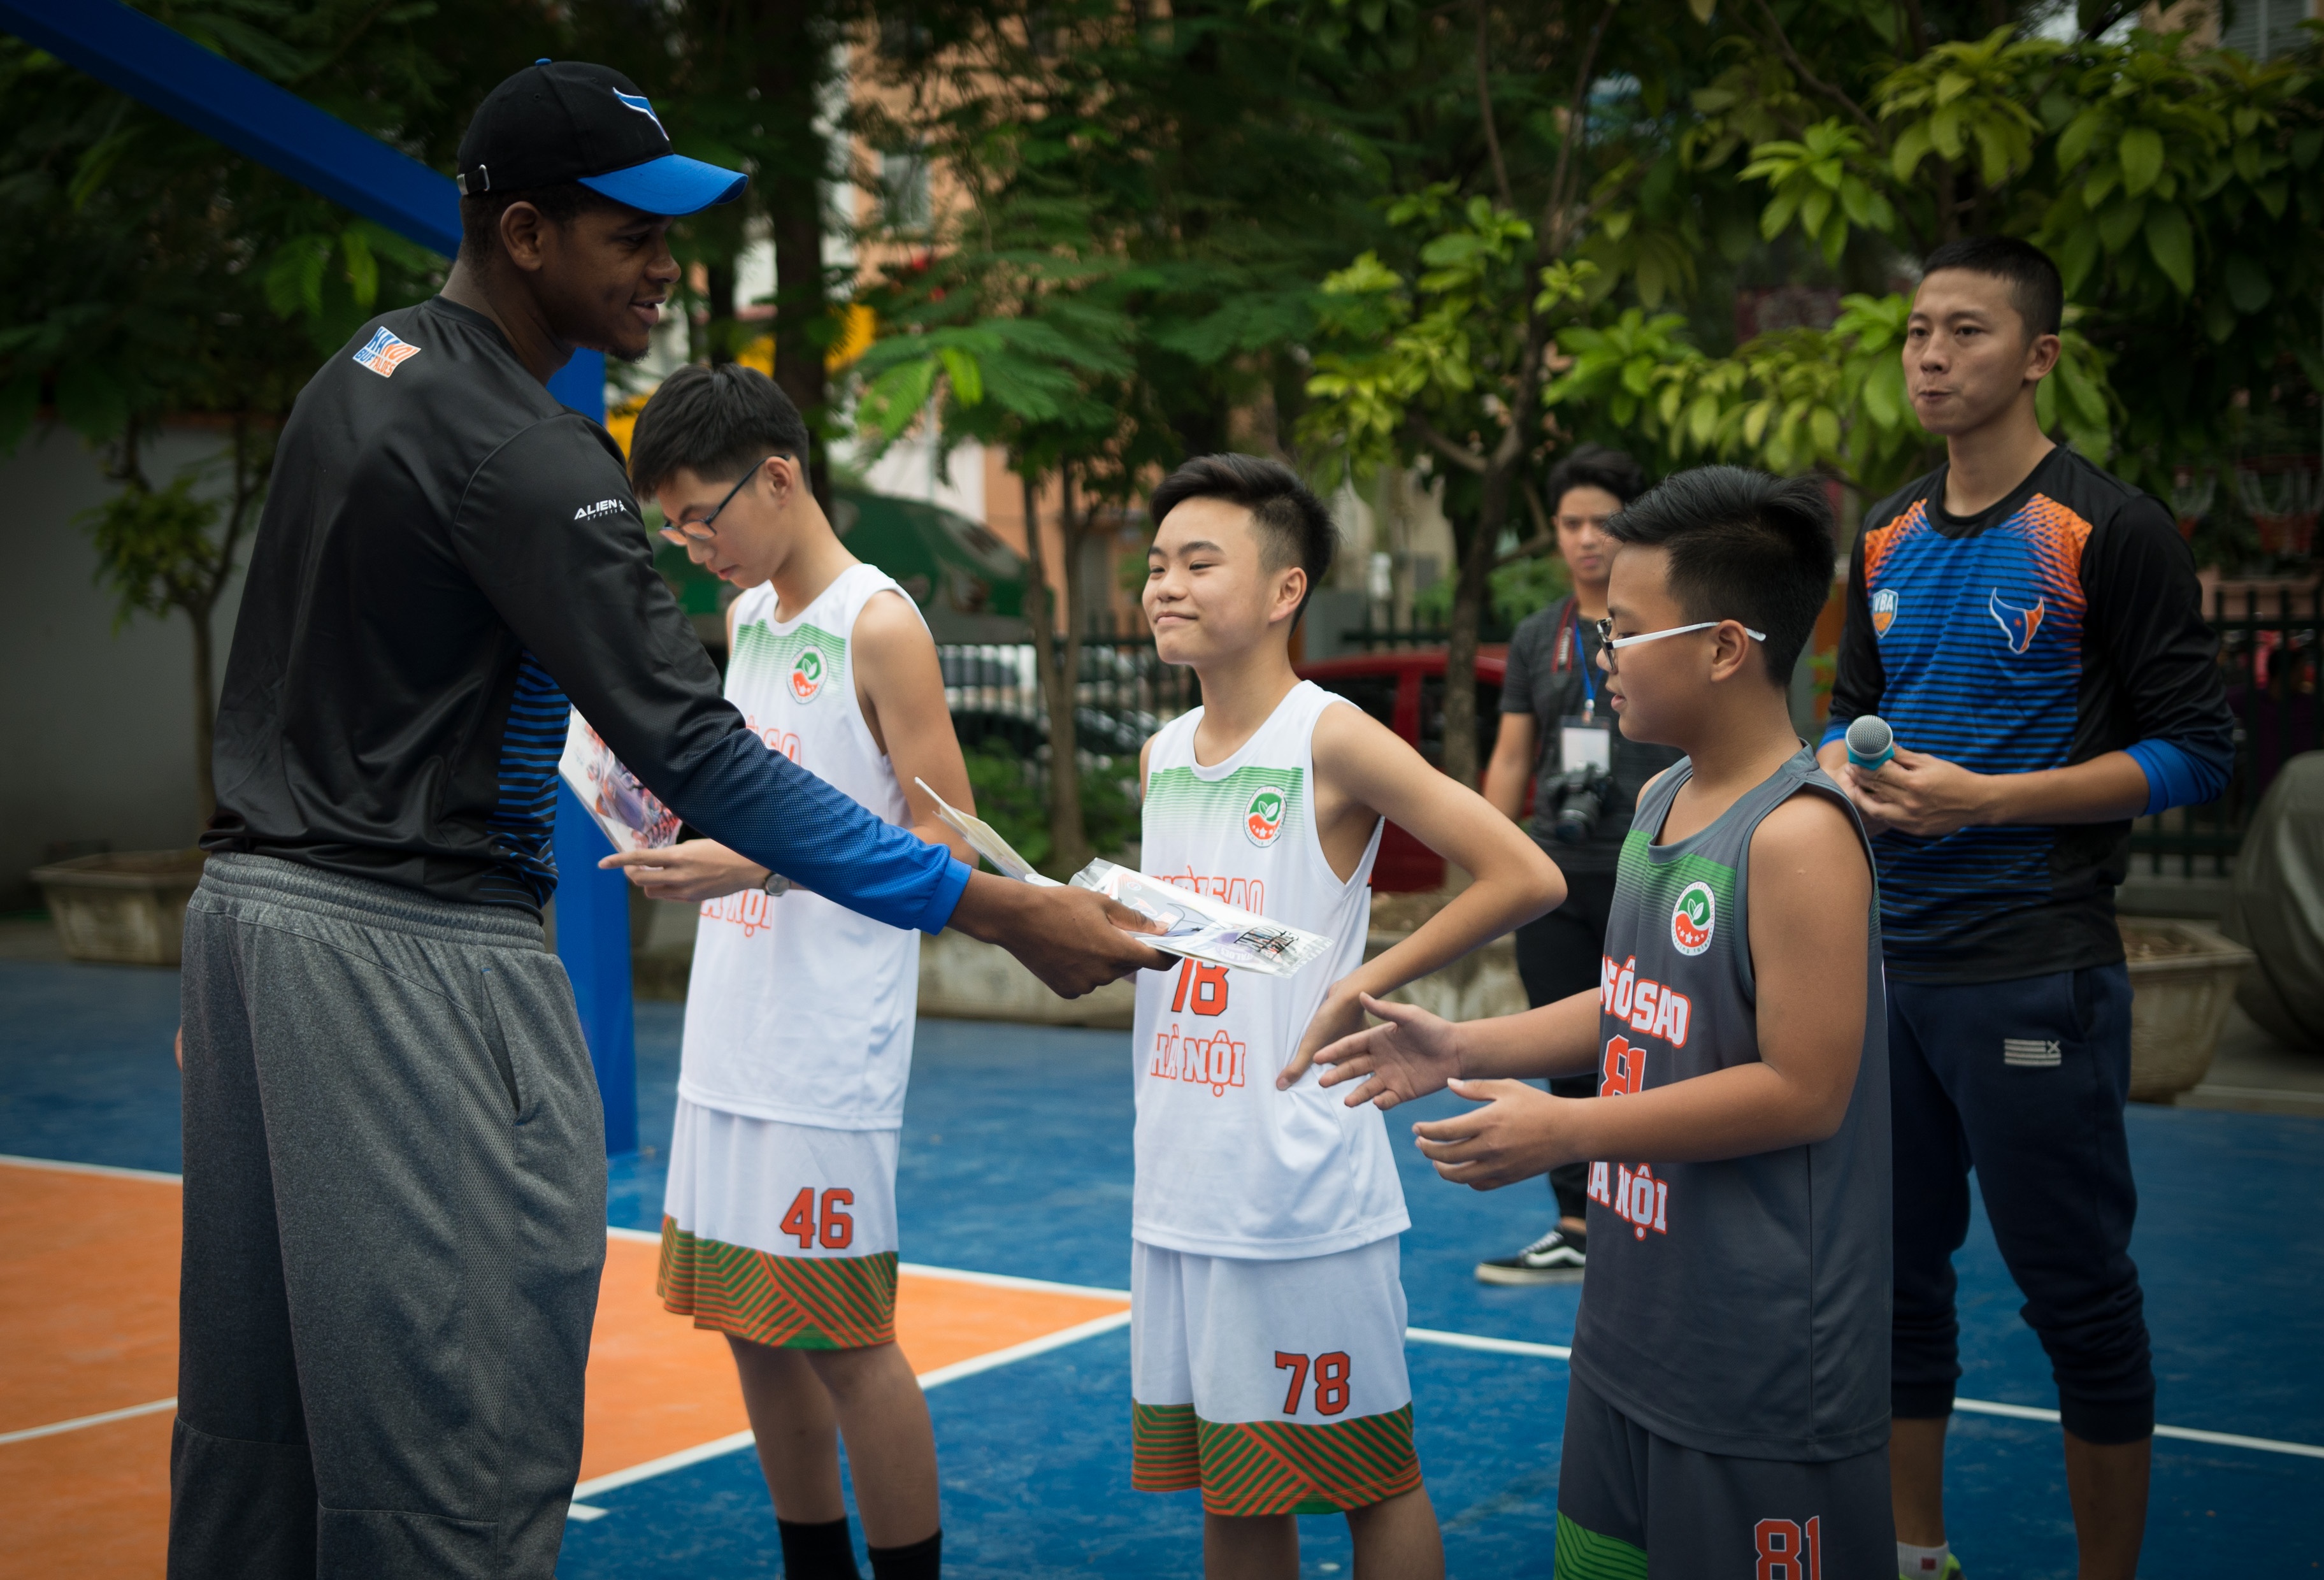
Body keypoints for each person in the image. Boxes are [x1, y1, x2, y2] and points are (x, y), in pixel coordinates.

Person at [176, 61, 1162, 1580]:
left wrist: (240, 935)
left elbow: (275, 678)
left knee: (258, 1440)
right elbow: (704, 751)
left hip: (257, 932)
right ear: (522, 233)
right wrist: (1001, 906)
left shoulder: (358, 373)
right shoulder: (529, 448)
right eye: (629, 233)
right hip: (413, 956)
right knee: (462, 1442)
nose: (665, 266)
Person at [1314, 467, 1894, 1578]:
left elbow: (1806, 1089)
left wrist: (1569, 1132)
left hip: (1760, 1358)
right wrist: (1463, 1047)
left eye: (1623, 632)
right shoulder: (1664, 795)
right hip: (1633, 1327)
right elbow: (1638, 999)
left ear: (1725, 647)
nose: (1598, 655)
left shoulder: (1801, 837)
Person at [1816, 236, 2234, 1580]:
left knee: (2078, 1300)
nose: (1931, 354)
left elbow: (2200, 751)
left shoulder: (2107, 531)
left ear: (2039, 355)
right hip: (1891, 973)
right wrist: (1840, 766)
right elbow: (1843, 718)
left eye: (1968, 332)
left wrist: (1987, 801)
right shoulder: (1880, 532)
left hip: (2033, 965)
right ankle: (1918, 1552)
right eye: (1916, 331)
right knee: (1896, 1288)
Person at [1131, 454, 1565, 1579]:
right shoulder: (1162, 754)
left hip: (1299, 1184)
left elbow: (1523, 874)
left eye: (1198, 562)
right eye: (1156, 565)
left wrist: (1360, 982)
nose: (1165, 584)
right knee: (1235, 1490)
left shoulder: (1329, 735)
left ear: (1287, 590)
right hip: (1182, 1170)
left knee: (1372, 1478)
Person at [591, 364, 963, 1580]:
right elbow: (757, 803)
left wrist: (752, 868)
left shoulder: (881, 621)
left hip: (827, 1045)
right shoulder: (753, 620)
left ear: (781, 476)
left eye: (706, 516)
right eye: (676, 528)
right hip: (734, 1026)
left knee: (847, 1338)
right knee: (750, 1329)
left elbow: (945, 849)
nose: (695, 545)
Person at [1476, 443, 1682, 1284]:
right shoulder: (1538, 638)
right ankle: (1575, 1221)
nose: (1586, 539)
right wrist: (1488, 864)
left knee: (1658, 1042)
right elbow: (1511, 754)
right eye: (1570, 523)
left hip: (1652, 864)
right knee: (1569, 1055)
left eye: (1604, 522)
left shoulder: (1662, 626)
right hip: (1555, 872)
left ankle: (1655, 1210)